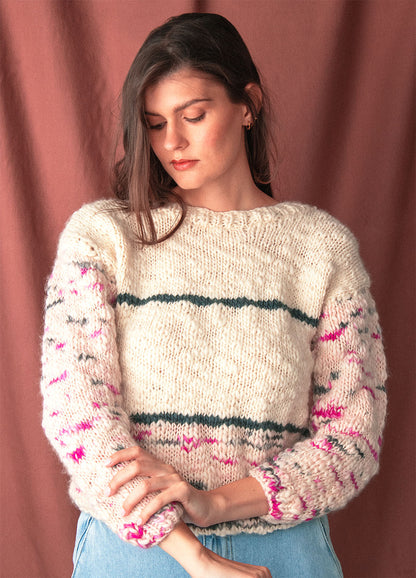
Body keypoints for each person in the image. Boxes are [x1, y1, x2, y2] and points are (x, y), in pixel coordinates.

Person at [40, 12, 387, 578]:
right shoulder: (104, 237)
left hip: (285, 547)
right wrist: (192, 553)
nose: (172, 142)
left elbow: (353, 437)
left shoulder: (321, 250)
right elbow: (77, 414)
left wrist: (215, 503)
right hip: (139, 550)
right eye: (154, 124)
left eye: (193, 116)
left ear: (248, 105)